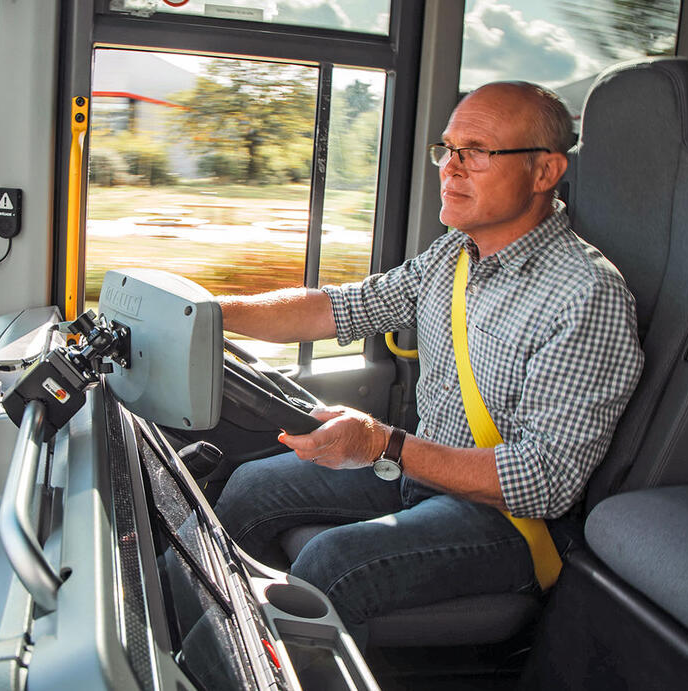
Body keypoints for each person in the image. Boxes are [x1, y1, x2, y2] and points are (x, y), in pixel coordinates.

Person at [213, 81, 644, 640]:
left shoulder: (586, 294)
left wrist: (382, 444)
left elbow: (543, 482)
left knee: (329, 562)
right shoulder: (453, 253)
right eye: (448, 149)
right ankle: (197, 645)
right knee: (251, 487)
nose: (451, 168)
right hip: (420, 471)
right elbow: (340, 308)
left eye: (479, 152)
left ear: (544, 173)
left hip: (512, 523)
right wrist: (209, 311)